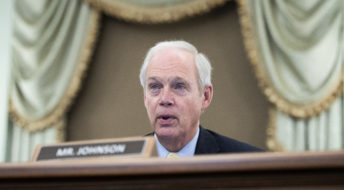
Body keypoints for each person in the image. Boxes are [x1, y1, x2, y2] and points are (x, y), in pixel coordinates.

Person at [139, 40, 261, 158]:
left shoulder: (250, 162)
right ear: (145, 98)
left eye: (179, 86)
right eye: (155, 87)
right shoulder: (124, 159)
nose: (165, 99)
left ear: (205, 97)